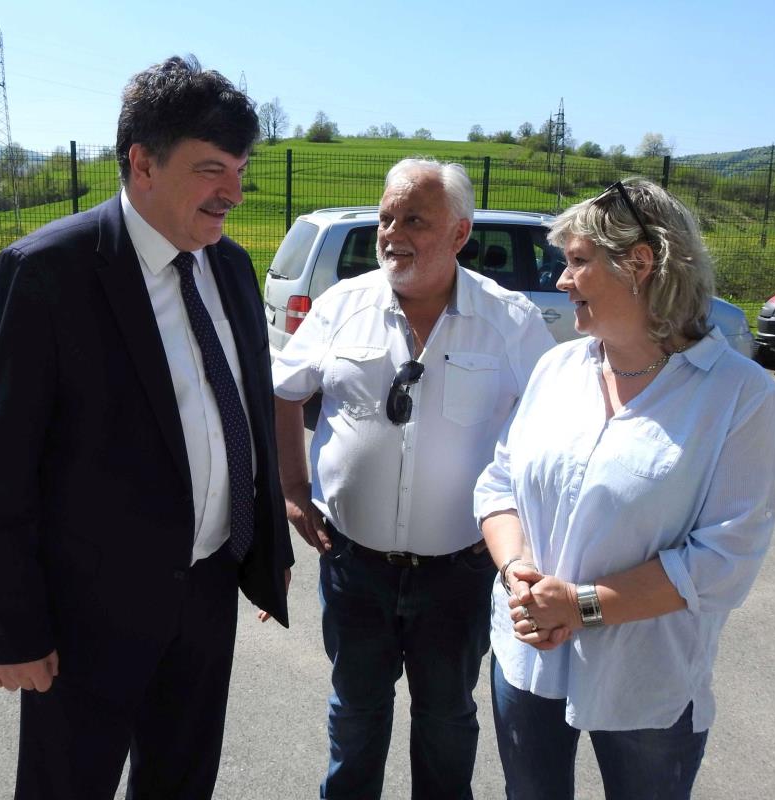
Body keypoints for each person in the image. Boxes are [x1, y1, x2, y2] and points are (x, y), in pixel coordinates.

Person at [0, 55, 293, 800]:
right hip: (87, 618)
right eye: (212, 170)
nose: (233, 193)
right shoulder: (47, 272)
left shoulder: (232, 268)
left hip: (207, 595)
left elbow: (245, 418)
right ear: (142, 164)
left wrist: (265, 550)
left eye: (240, 170)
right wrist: (16, 628)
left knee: (182, 784)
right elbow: (2, 473)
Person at [474, 178, 775, 800]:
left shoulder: (738, 393)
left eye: (577, 261)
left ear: (639, 263)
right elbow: (498, 483)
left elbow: (724, 561)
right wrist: (516, 573)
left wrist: (579, 606)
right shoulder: (558, 367)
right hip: (527, 653)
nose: (562, 280)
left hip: (647, 682)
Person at [272, 158, 555, 799]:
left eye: (414, 221)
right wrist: (292, 486)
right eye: (386, 219)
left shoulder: (510, 321)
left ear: (459, 233)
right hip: (354, 567)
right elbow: (284, 389)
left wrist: (523, 534)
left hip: (460, 572)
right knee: (355, 715)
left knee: (446, 720)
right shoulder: (342, 306)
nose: (392, 234)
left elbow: (549, 430)